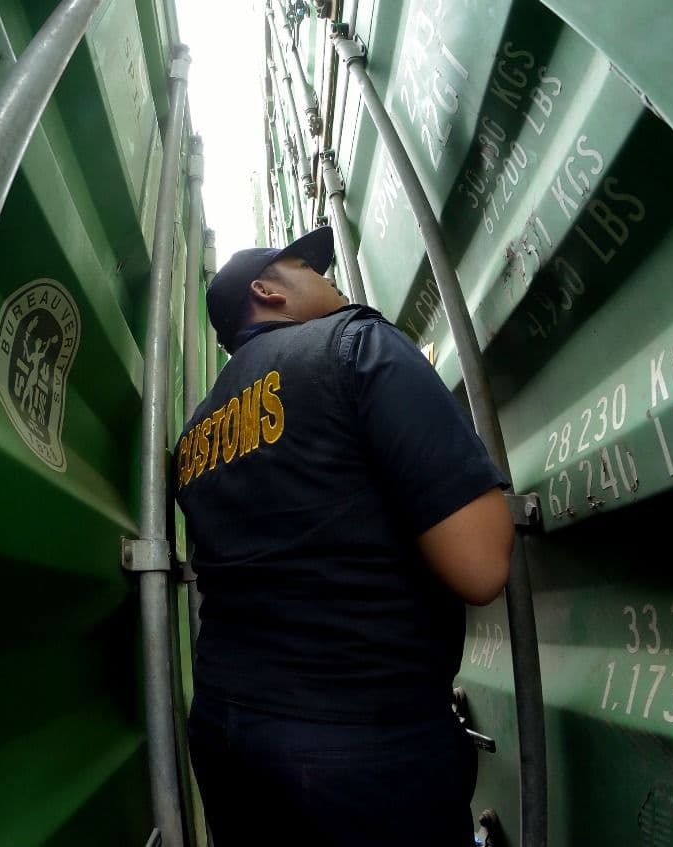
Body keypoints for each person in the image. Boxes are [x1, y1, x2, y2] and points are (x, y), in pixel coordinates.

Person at [174, 226, 514, 847]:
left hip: (226, 738)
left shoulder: (194, 436)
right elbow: (481, 565)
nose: (330, 279)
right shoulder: (355, 345)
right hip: (361, 757)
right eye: (311, 268)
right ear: (268, 291)